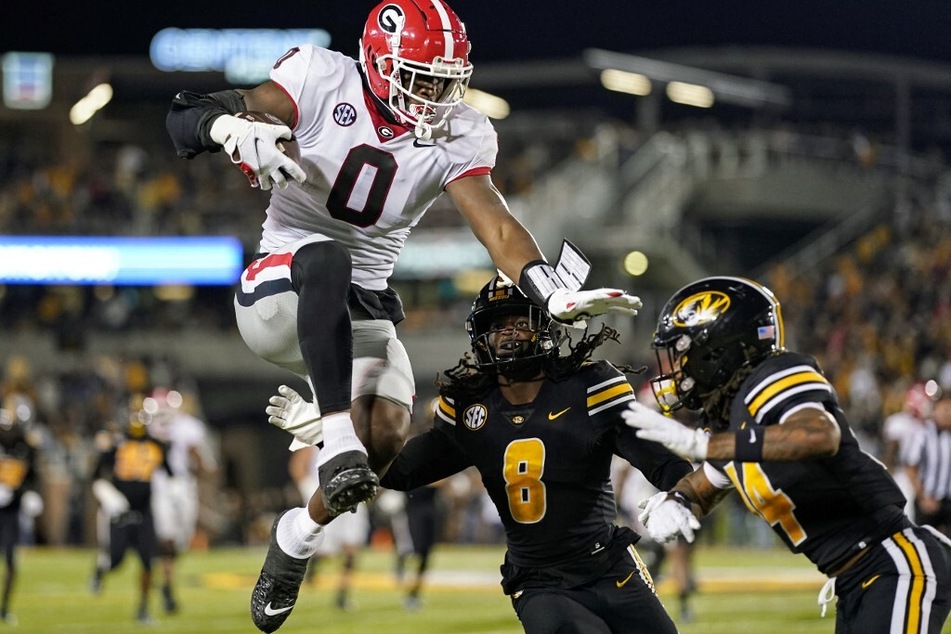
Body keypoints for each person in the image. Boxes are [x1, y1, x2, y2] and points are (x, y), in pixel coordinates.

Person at [166, 1, 641, 630]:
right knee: (329, 261)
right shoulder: (319, 77)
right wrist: (233, 128)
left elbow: (496, 223)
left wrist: (545, 288)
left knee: (386, 438)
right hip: (280, 287)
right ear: (379, 62)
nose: (437, 94)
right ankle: (334, 436)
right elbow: (184, 117)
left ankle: (297, 535)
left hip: (363, 304)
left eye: (447, 79)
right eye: (422, 76)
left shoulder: (459, 132)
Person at [274, 276, 692, 633]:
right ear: (481, 336)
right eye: (497, 325)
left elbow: (659, 458)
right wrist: (329, 436)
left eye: (520, 322)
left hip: (609, 564)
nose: (509, 333)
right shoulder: (471, 406)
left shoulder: (590, 385)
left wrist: (683, 495)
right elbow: (400, 471)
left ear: (544, 327)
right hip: (541, 580)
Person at [622, 275, 951, 633]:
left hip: (893, 562)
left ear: (718, 350)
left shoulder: (774, 374)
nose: (677, 370)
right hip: (856, 580)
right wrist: (679, 500)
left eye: (684, 353)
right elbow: (704, 484)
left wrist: (704, 446)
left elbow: (819, 434)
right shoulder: (731, 422)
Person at [89, 397, 173, 625]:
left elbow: (171, 476)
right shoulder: (116, 444)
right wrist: (110, 496)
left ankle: (143, 609)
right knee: (116, 560)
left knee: (148, 562)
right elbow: (96, 475)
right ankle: (100, 569)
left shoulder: (157, 446)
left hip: (145, 511)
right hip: (120, 513)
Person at [145, 387, 219, 614]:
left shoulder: (187, 426)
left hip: (183, 485)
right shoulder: (145, 427)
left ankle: (167, 576)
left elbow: (196, 456)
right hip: (158, 486)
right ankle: (167, 586)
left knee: (181, 540)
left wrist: (208, 471)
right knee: (166, 539)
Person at [288, 445, 369, 611]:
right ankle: (313, 564)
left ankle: (342, 595)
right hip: (326, 499)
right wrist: (311, 491)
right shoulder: (316, 439)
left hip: (352, 495)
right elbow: (297, 467)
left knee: (352, 549)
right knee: (325, 551)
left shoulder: (355, 436)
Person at [0, 408, 42, 625]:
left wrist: (27, 494)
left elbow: (31, 478)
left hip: (10, 513)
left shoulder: (26, 448)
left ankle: (5, 608)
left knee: (10, 561)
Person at [882, 381, 933, 522]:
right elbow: (890, 454)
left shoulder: (930, 425)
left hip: (926, 475)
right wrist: (888, 476)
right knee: (907, 514)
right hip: (904, 474)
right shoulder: (898, 422)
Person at [906, 393, 951, 537]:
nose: (948, 413)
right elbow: (911, 467)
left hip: (949, 501)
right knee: (925, 546)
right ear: (935, 410)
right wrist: (923, 498)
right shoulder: (922, 433)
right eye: (945, 409)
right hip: (927, 500)